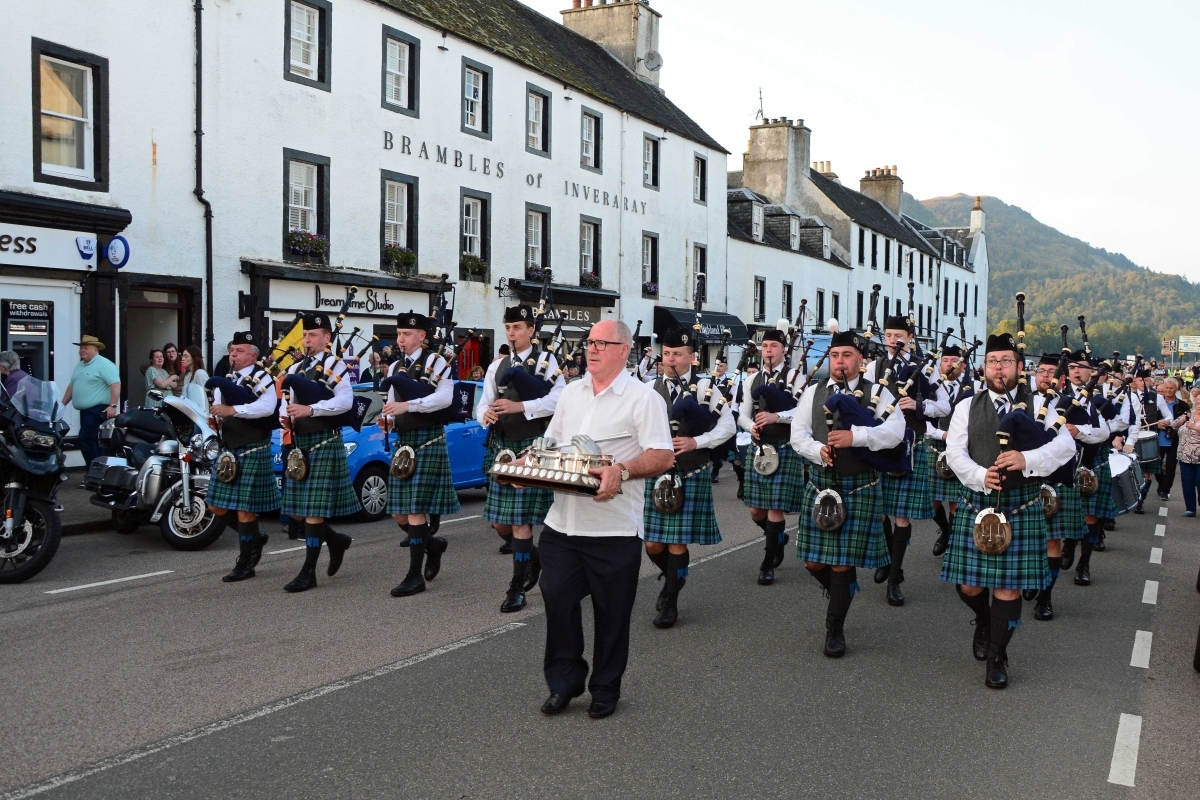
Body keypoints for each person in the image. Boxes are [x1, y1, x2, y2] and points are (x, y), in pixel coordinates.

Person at [535, 319, 673, 719]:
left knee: (611, 615)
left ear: (625, 349)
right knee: (557, 600)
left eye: (602, 343)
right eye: (589, 342)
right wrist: (528, 468)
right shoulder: (570, 394)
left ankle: (605, 688)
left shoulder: (643, 399)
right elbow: (553, 444)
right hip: (562, 524)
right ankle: (564, 682)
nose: (591, 349)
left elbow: (662, 455)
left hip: (614, 530)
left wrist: (623, 471)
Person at [942, 333, 1075, 689]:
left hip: (1022, 506)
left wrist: (1026, 459)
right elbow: (955, 452)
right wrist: (979, 475)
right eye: (992, 361)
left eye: (1005, 361)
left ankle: (998, 656)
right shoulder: (967, 406)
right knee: (969, 587)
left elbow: (1065, 448)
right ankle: (985, 622)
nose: (998, 367)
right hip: (977, 503)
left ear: (1020, 366)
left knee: (1008, 589)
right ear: (984, 367)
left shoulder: (1044, 405)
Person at [791, 330, 905, 657]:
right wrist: (818, 450)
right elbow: (798, 434)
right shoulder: (813, 392)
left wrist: (856, 438)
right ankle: (844, 593)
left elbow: (895, 433)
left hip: (860, 485)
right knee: (814, 562)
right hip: (820, 484)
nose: (840, 362)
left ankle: (835, 628)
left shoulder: (878, 393)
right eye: (835, 356)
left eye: (847, 356)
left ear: (860, 360)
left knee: (841, 564)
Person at [642, 327, 734, 628]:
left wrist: (698, 441)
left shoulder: (706, 387)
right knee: (653, 545)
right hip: (655, 472)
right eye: (667, 354)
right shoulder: (647, 388)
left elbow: (728, 427)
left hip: (691, 470)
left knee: (677, 543)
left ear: (691, 357)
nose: (671, 360)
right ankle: (672, 577)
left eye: (677, 354)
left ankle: (670, 600)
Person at [477, 305, 563, 610]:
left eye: (517, 328)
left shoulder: (547, 361)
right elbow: (483, 402)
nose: (512, 333)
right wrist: (484, 414)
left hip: (530, 445)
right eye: (508, 328)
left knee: (519, 521)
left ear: (531, 331)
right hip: (501, 446)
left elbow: (559, 400)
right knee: (501, 525)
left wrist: (522, 407)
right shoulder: (496, 367)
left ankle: (517, 588)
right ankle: (533, 558)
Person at [867, 315, 951, 606]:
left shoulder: (925, 367)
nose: (892, 340)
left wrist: (918, 405)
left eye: (898, 335)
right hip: (879, 445)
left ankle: (894, 577)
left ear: (910, 336)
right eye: (888, 335)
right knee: (880, 513)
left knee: (901, 515)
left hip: (910, 447)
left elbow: (944, 404)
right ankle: (890, 560)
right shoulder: (872, 367)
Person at [278, 313, 360, 593]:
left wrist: (311, 410)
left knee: (312, 512)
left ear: (327, 338)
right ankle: (336, 541)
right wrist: (284, 416)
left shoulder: (335, 364)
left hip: (325, 441)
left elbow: (345, 402)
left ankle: (308, 572)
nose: (307, 341)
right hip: (301, 445)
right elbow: (287, 401)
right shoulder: (297, 367)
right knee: (299, 514)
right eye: (305, 335)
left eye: (313, 336)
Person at [381, 311, 459, 598]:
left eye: (407, 334)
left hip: (428, 440)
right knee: (399, 514)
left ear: (422, 336)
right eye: (399, 334)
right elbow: (391, 403)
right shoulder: (394, 368)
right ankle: (433, 545)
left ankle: (414, 576)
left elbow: (443, 399)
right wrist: (387, 419)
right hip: (404, 443)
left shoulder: (438, 361)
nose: (401, 339)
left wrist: (409, 407)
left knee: (414, 511)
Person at [207, 331, 282, 582]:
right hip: (229, 450)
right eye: (231, 351)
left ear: (252, 355)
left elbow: (267, 408)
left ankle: (246, 562)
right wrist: (215, 417)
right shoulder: (227, 379)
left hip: (252, 448)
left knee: (244, 509)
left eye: (239, 351)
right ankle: (255, 538)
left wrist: (233, 410)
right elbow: (221, 411)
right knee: (215, 505)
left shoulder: (262, 377)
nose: (233, 355)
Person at [738, 329, 805, 585]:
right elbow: (742, 413)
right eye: (765, 345)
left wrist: (778, 417)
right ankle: (777, 537)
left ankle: (768, 563)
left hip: (784, 445)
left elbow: (803, 411)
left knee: (774, 507)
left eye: (773, 345)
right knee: (756, 510)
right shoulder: (752, 380)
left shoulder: (794, 377)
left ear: (783, 350)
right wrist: (750, 426)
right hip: (759, 446)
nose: (768, 350)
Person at [1026, 354, 1088, 619]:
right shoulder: (1022, 400)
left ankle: (1045, 598)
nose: (1045, 376)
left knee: (1052, 541)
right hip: (1024, 478)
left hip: (1056, 478)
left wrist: (1079, 431)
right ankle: (1030, 580)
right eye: (1041, 371)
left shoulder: (1071, 404)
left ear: (1061, 379)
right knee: (1027, 539)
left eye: (1051, 372)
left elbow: (1099, 431)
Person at [928, 346, 968, 555]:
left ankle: (951, 540)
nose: (950, 364)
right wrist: (941, 434)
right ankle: (945, 531)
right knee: (931, 499)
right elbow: (920, 420)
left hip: (961, 446)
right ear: (940, 364)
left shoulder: (974, 386)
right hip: (936, 444)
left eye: (955, 360)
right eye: (946, 360)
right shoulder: (930, 386)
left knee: (955, 501)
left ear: (963, 365)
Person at [62, 335, 121, 469]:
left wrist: (113, 405)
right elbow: (72, 386)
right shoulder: (80, 366)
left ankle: (94, 470)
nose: (82, 350)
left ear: (96, 349)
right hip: (86, 411)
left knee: (86, 439)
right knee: (93, 441)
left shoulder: (104, 364)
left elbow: (115, 384)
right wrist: (62, 404)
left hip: (98, 409)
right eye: (81, 348)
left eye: (86, 348)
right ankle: (98, 472)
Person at [1155, 377, 1184, 500]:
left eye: (1171, 388)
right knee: (1156, 466)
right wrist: (1157, 424)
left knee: (1171, 467)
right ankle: (1161, 484)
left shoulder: (1182, 405)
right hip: (1157, 439)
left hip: (1174, 440)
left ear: (1176, 389)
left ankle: (1165, 491)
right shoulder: (1157, 403)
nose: (1168, 390)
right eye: (1166, 388)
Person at [1175, 386, 1200, 517]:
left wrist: (1195, 427)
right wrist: (1181, 421)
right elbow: (1174, 425)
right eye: (1199, 402)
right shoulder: (1189, 414)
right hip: (1184, 454)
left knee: (1199, 482)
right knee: (1187, 482)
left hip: (1199, 456)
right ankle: (1190, 508)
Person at [180, 346, 210, 412]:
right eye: (183, 356)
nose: (183, 358)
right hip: (190, 412)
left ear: (194, 358)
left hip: (201, 412)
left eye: (186, 356)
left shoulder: (200, 373)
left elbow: (206, 395)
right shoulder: (187, 375)